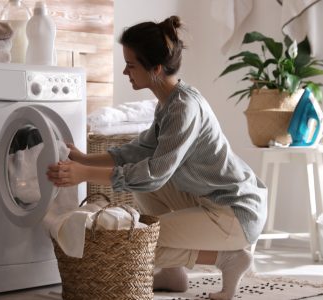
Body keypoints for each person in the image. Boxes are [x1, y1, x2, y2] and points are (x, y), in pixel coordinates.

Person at [47, 15, 267, 300]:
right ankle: (173, 273)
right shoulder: (169, 102)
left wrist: (84, 174)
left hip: (235, 212)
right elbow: (137, 152)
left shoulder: (183, 108)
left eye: (131, 64)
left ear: (156, 69)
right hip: (213, 199)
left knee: (140, 241)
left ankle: (229, 259)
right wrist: (85, 159)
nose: (126, 71)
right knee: (145, 185)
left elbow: (154, 173)